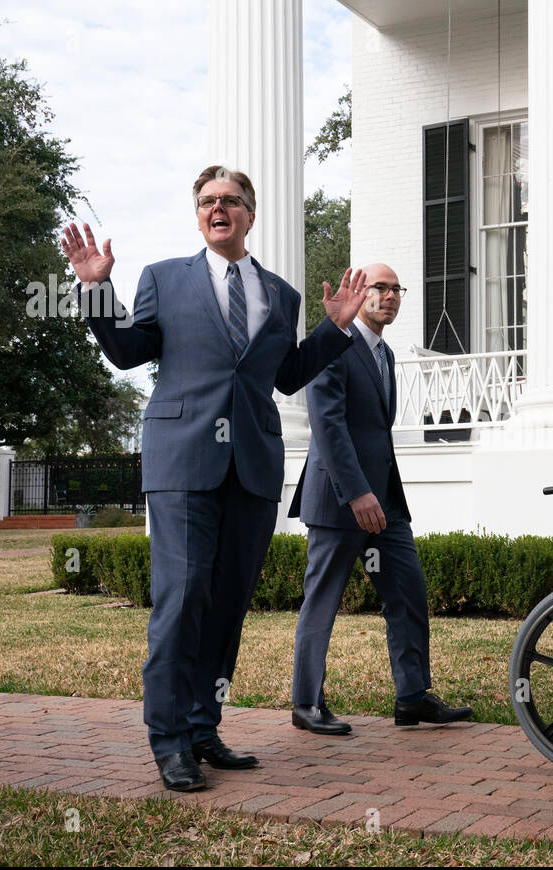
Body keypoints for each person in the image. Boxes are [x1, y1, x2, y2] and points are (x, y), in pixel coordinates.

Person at [61, 165, 368, 792]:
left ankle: (204, 726)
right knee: (182, 597)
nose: (217, 208)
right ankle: (169, 740)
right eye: (207, 201)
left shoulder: (281, 294)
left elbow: (286, 375)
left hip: (252, 466)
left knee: (227, 604)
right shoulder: (163, 279)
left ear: (250, 215)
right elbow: (125, 351)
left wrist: (333, 330)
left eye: (230, 200)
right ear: (197, 214)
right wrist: (96, 289)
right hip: (181, 462)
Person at [287, 263, 473, 735]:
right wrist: (356, 493)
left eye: (396, 290)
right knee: (322, 601)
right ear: (359, 291)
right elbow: (327, 425)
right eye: (379, 288)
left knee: (408, 591)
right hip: (338, 500)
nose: (389, 296)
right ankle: (306, 704)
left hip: (385, 503)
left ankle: (412, 697)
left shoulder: (385, 354)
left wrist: (376, 494)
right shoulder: (334, 343)